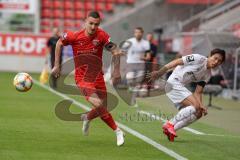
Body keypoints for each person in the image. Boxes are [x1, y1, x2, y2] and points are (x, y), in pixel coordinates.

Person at [52, 11, 125, 146]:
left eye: (96, 24)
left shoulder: (102, 35)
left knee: (104, 106)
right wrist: (57, 65)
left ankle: (87, 117)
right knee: (98, 104)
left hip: (98, 77)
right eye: (91, 23)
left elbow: (114, 50)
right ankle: (117, 131)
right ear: (85, 21)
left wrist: (116, 71)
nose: (93, 27)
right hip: (82, 79)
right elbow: (59, 43)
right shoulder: (74, 36)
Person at [148, 48, 226, 141]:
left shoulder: (207, 75)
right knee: (195, 105)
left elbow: (198, 92)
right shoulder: (198, 58)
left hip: (179, 87)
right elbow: (177, 61)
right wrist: (160, 72)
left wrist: (201, 105)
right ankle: (169, 124)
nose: (216, 61)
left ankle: (171, 130)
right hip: (173, 83)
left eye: (219, 61)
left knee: (198, 113)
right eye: (215, 58)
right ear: (210, 55)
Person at [125, 27, 151, 104]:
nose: (138, 34)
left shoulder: (146, 43)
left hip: (140, 65)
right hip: (131, 64)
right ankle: (130, 87)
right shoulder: (129, 41)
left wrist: (144, 58)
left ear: (142, 33)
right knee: (129, 80)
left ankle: (133, 100)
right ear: (134, 33)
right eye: (136, 32)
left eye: (139, 32)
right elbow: (123, 51)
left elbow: (148, 57)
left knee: (138, 83)